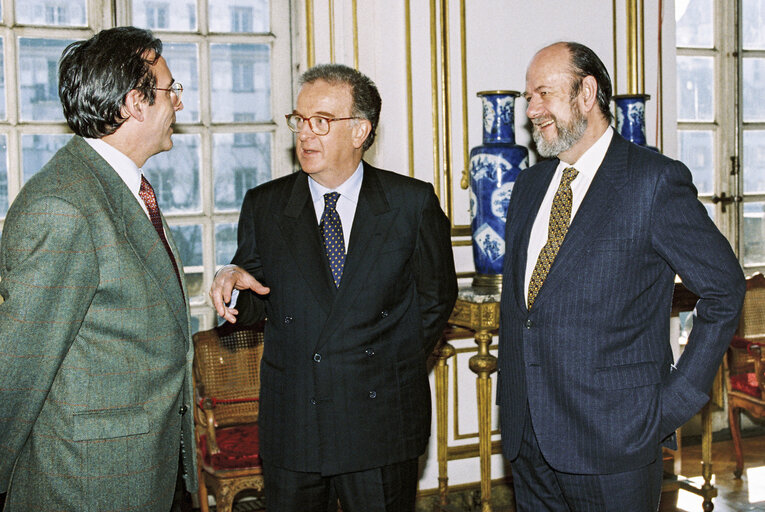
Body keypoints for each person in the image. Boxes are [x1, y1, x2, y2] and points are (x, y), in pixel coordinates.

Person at [497, 41, 745, 511]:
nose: (530, 110)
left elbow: (725, 288)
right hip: (528, 441)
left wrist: (676, 400)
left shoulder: (652, 181)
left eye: (543, 94)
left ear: (586, 93)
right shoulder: (528, 186)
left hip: (616, 441)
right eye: (528, 97)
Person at [209, 63, 457, 512]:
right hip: (296, 419)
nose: (305, 134)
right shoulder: (265, 205)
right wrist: (232, 285)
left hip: (379, 420)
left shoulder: (410, 204)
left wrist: (384, 360)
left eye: (321, 121)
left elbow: (436, 299)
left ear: (360, 130)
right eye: (299, 120)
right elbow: (253, 297)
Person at [0, 27, 196, 511]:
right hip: (87, 481)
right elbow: (18, 367)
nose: (179, 105)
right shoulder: (64, 205)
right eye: (171, 90)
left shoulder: (120, 187)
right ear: (135, 102)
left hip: (137, 467)